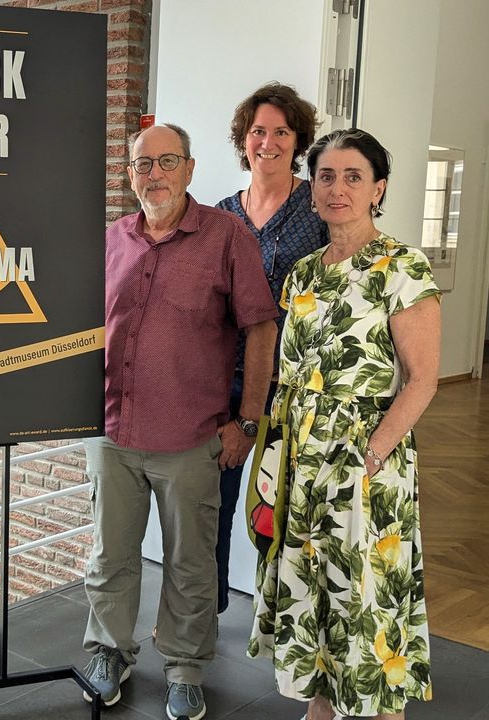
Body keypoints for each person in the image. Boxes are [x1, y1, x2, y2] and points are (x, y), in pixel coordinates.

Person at [81, 123, 278, 720]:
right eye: (144, 165)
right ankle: (108, 651)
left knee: (191, 561)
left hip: (193, 434)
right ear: (130, 174)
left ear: (190, 169)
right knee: (109, 555)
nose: (155, 175)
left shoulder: (226, 238)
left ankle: (186, 665)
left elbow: (261, 327)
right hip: (112, 430)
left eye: (168, 162)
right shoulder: (112, 239)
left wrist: (247, 419)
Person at [249, 128, 439, 720]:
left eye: (354, 177)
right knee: (317, 591)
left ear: (378, 189)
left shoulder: (403, 266)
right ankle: (321, 709)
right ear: (312, 190)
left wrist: (373, 456)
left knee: (368, 599)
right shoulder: (302, 274)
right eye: (326, 176)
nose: (338, 189)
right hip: (303, 463)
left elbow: (422, 379)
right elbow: (289, 375)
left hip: (364, 465)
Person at [214, 82, 329, 613]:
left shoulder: (320, 207)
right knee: (211, 505)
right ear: (244, 140)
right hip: (226, 382)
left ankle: (287, 622)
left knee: (288, 511)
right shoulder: (220, 216)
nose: (268, 142)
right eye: (258, 131)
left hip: (298, 382)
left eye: (281, 132)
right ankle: (203, 614)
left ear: (298, 140)